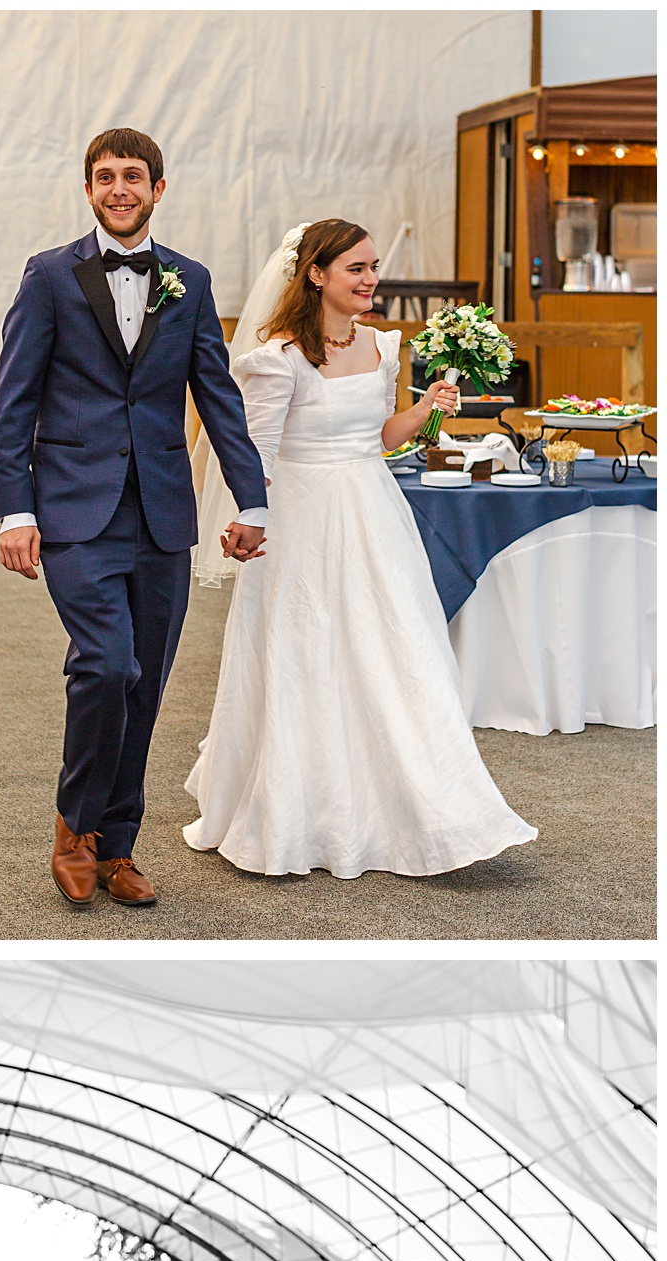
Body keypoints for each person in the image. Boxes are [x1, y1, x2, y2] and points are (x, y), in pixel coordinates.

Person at [182, 218, 536, 880]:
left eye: (374, 267)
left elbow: (385, 435)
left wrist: (434, 407)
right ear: (317, 274)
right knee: (304, 653)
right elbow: (252, 451)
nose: (372, 280)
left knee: (401, 644)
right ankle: (298, 812)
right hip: (301, 517)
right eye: (357, 269)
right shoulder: (279, 357)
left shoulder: (382, 344)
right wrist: (249, 517)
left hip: (373, 512)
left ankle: (428, 805)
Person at [0, 128, 268, 911]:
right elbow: (14, 399)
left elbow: (217, 396)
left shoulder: (190, 280)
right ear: (88, 190)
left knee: (144, 687)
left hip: (161, 517)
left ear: (158, 188)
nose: (120, 188)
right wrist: (15, 508)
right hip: (73, 510)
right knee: (107, 665)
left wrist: (250, 498)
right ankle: (73, 829)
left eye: (134, 176)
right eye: (105, 177)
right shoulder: (49, 276)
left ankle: (118, 850)